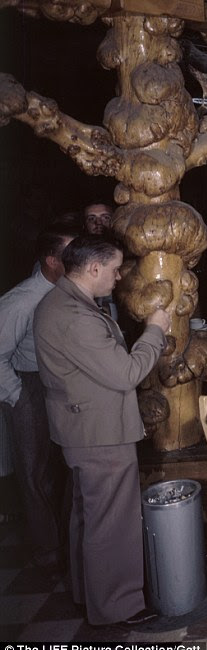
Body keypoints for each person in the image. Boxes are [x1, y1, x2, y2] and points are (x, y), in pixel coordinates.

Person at [33, 235, 170, 627]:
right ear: (93, 268)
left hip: (80, 427)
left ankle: (88, 594)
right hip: (100, 433)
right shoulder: (75, 317)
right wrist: (155, 330)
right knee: (112, 521)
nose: (118, 275)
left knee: (88, 516)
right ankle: (118, 607)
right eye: (114, 269)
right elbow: (126, 374)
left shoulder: (61, 302)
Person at [0, 225, 75, 570]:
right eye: (69, 254)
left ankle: (64, 543)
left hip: (54, 383)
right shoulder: (22, 300)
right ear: (50, 260)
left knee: (58, 468)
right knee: (34, 473)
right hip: (27, 385)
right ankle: (48, 550)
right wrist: (18, 396)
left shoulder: (65, 292)